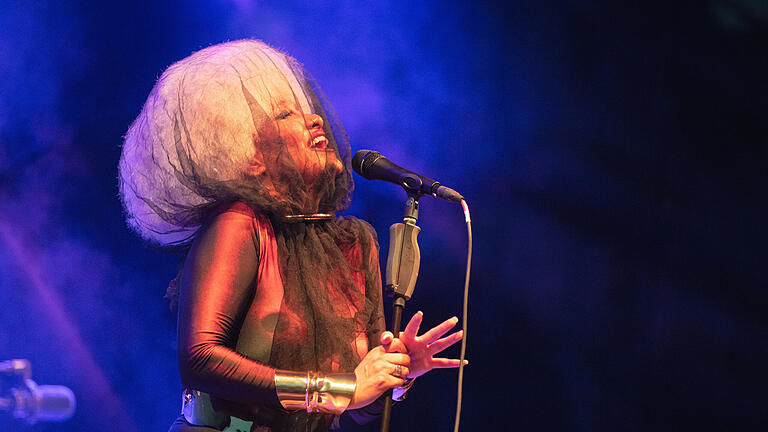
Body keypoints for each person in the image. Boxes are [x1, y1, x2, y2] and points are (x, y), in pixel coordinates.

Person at [118, 40, 465, 432]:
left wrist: (394, 376)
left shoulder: (353, 243)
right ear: (252, 161)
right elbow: (200, 359)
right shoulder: (241, 223)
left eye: (310, 112)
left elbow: (359, 406)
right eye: (287, 115)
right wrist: (339, 390)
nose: (315, 120)